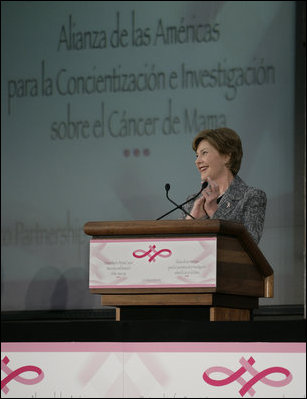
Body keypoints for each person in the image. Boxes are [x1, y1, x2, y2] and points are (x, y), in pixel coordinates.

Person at [181, 127, 267, 244]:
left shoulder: (251, 197)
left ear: (226, 156)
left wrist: (214, 211)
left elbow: (250, 243)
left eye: (204, 153)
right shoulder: (191, 203)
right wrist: (192, 219)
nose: (197, 161)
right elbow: (179, 248)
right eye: (197, 156)